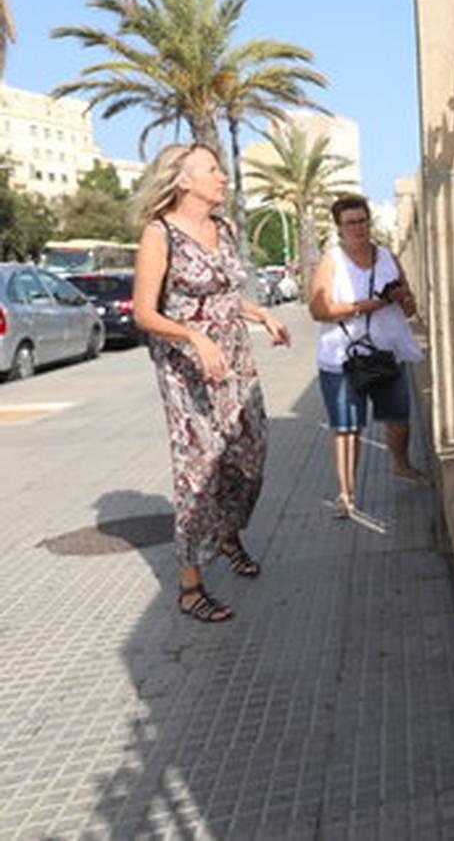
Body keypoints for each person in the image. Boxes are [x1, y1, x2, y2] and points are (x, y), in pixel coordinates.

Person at [131, 144, 291, 623]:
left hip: (235, 358)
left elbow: (225, 294)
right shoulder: (159, 235)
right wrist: (193, 337)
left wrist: (259, 313)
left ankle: (227, 533)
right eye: (212, 170)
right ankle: (190, 585)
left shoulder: (226, 228)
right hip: (188, 369)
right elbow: (144, 312)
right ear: (183, 180)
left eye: (222, 169)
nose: (222, 177)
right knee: (198, 469)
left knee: (250, 455)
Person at [309, 194, 427, 517]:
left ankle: (401, 464)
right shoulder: (332, 260)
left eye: (363, 221)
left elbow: (410, 308)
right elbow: (318, 310)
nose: (359, 228)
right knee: (347, 428)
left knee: (399, 418)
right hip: (342, 359)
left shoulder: (387, 256)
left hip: (387, 353)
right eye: (351, 223)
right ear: (339, 228)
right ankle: (345, 495)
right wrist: (363, 306)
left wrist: (403, 299)